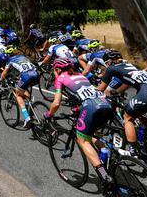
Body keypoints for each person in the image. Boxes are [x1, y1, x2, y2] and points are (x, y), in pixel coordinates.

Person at [44, 59, 114, 189]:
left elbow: (56, 103)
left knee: (83, 141)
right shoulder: (80, 75)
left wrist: (49, 114)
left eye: (54, 70)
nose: (54, 72)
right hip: (105, 104)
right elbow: (85, 93)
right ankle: (106, 154)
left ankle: (104, 175)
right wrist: (77, 109)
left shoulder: (60, 78)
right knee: (92, 134)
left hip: (91, 107)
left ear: (58, 69)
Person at [97, 50, 147, 156]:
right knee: (141, 116)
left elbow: (101, 89)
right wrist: (116, 92)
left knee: (128, 117)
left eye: (107, 62)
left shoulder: (112, 69)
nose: (106, 65)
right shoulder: (131, 65)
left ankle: (133, 151)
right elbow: (127, 82)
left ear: (111, 61)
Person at [0, 46, 40, 128]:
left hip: (26, 76)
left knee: (18, 95)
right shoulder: (23, 57)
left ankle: (27, 118)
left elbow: (4, 73)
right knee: (24, 90)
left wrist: (0, 80)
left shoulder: (10, 60)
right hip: (36, 74)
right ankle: (29, 102)